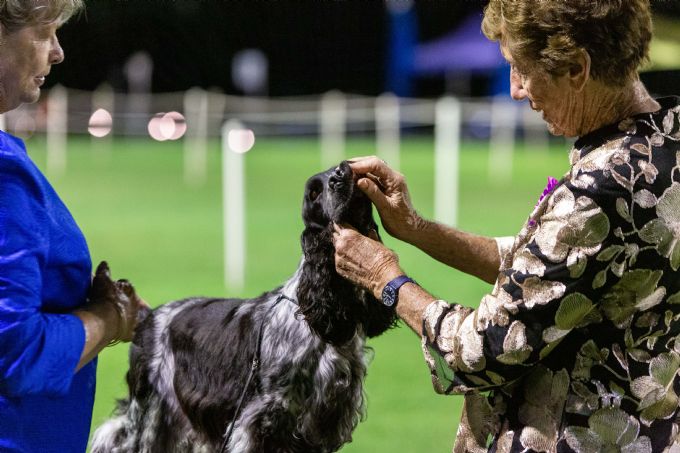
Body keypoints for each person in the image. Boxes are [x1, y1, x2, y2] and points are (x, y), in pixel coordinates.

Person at [333, 1, 680, 451]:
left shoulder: (603, 187)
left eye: (521, 69)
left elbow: (485, 348)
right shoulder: (663, 146)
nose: (515, 90)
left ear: (577, 68)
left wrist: (385, 278)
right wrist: (417, 228)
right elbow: (544, 269)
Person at [0, 1, 146, 451]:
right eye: (45, 33)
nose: (58, 52)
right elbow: (17, 353)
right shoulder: (5, 173)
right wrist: (111, 319)